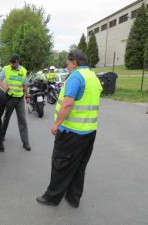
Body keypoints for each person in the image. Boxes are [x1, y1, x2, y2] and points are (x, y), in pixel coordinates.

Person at [36, 50, 102, 208]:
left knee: (61, 164)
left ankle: (52, 197)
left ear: (75, 63)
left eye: (67, 65)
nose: (67, 68)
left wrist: (56, 124)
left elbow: (67, 103)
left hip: (71, 132)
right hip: (89, 132)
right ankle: (74, 198)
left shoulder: (76, 77)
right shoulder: (93, 76)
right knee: (79, 166)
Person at [0, 54, 31, 151]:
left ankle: (25, 142)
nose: (11, 64)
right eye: (10, 63)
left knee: (22, 121)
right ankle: (2, 136)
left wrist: (27, 96)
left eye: (13, 63)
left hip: (20, 99)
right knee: (6, 118)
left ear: (17, 62)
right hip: (10, 98)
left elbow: (25, 85)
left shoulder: (23, 71)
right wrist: (5, 87)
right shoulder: (6, 69)